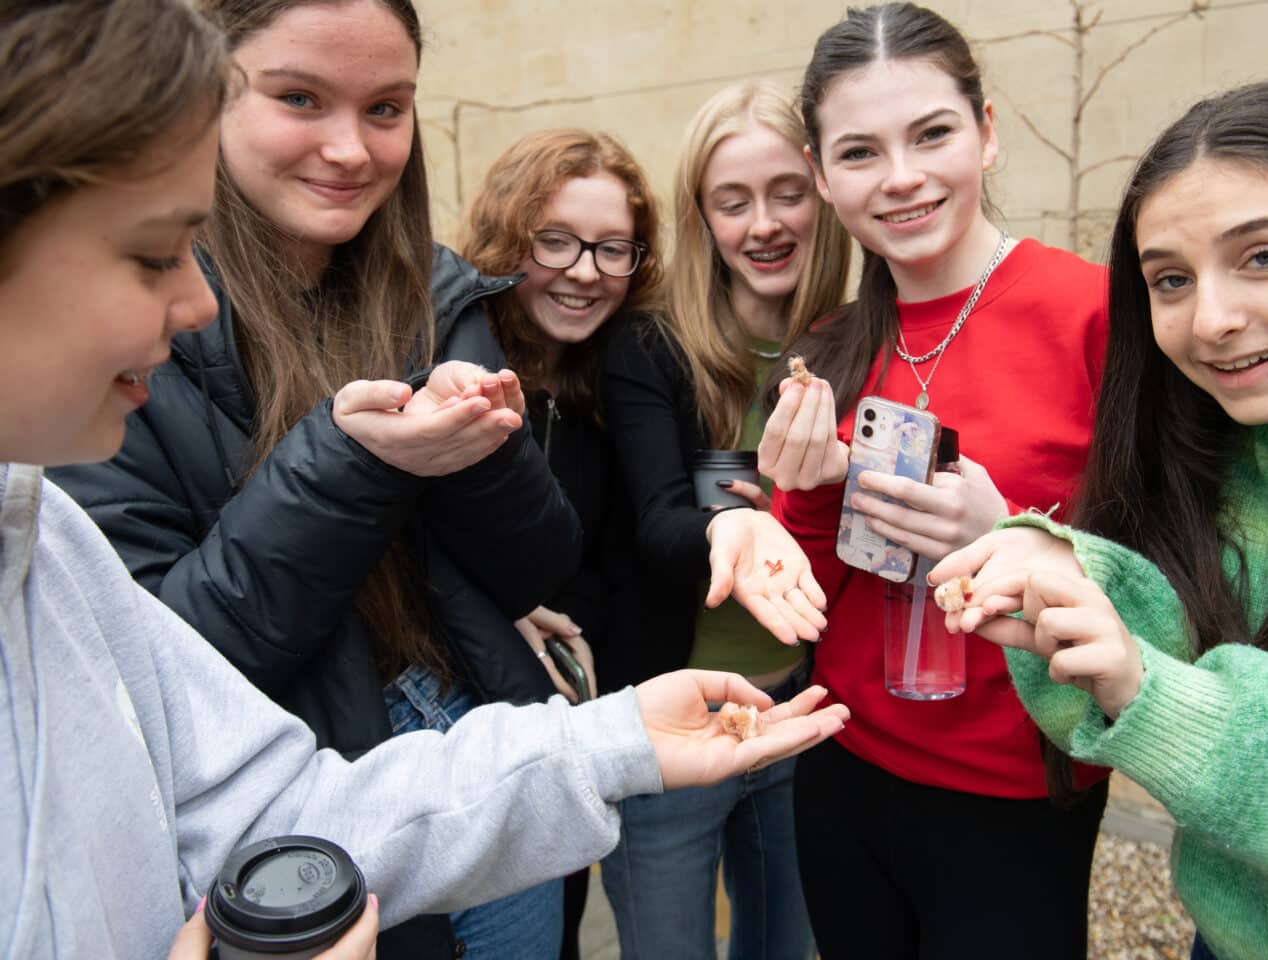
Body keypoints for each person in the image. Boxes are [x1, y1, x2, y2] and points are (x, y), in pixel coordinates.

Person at [0, 4, 850, 954]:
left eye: (387, 109)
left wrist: (480, 450)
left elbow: (541, 559)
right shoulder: (75, 467)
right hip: (340, 797)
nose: (350, 149)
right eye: (299, 98)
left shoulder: (440, 296)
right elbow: (196, 690)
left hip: (478, 737)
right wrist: (358, 462)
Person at [933, 79, 1268, 960]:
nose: (1211, 320)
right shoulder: (1206, 442)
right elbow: (1170, 615)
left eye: (1263, 257)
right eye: (1170, 278)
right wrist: (1064, 569)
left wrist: (1166, 700)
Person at [757, 5, 1110, 957]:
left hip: (1014, 792)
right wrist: (819, 489)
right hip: (843, 768)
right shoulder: (828, 350)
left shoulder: (1094, 314)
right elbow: (806, 604)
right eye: (861, 152)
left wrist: (1019, 530)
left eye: (933, 134)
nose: (903, 177)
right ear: (823, 176)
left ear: (986, 133)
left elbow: (1171, 569)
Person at [597, 82, 850, 958]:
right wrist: (732, 531)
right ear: (701, 216)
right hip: (677, 720)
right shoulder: (650, 346)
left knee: (787, 945)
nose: (764, 224)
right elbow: (659, 523)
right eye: (732, 202)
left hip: (796, 710)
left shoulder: (857, 339)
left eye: (786, 192)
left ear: (823, 192)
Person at [459, 127, 665, 960]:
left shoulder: (618, 376)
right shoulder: (446, 355)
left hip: (566, 732)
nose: (584, 270)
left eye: (611, 248)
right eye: (557, 241)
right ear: (510, 236)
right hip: (452, 731)